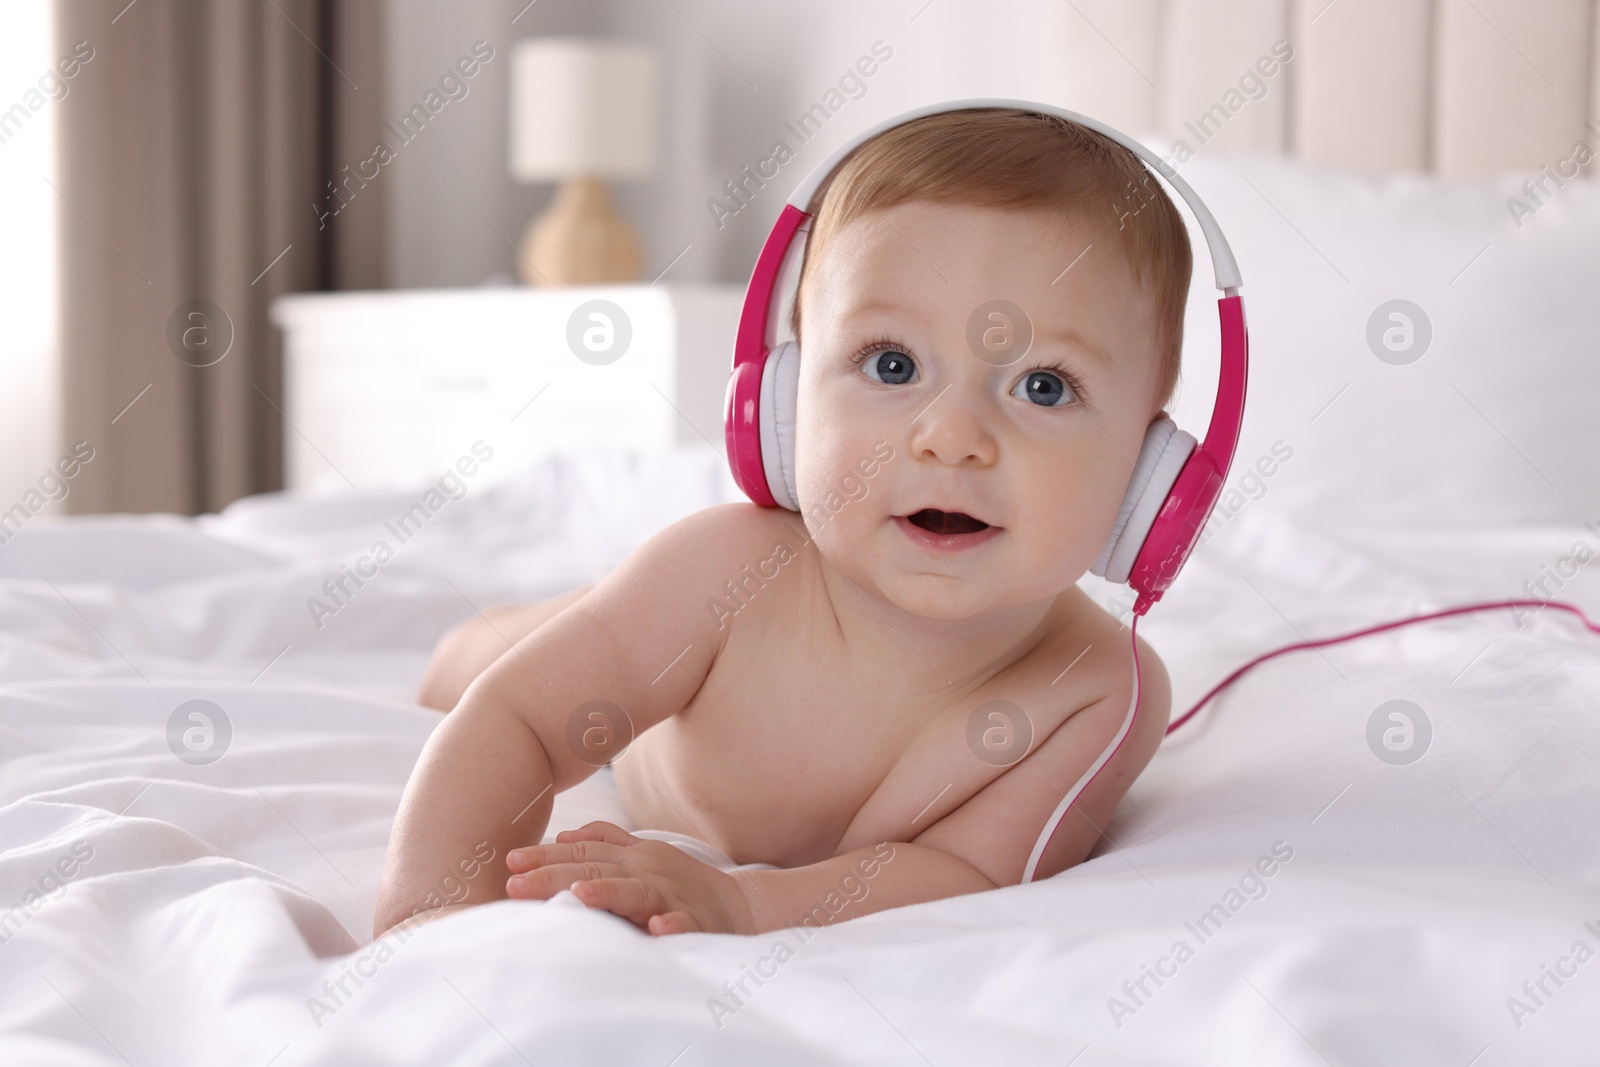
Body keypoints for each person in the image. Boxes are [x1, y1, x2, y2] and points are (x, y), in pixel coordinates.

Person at [374, 107, 1185, 938]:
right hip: (643, 734)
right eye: (891, 364)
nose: (952, 438)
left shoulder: (1098, 692)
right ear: (780, 404)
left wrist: (745, 902)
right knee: (490, 662)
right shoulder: (725, 569)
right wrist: (425, 919)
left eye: (1044, 386)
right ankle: (512, 626)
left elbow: (965, 870)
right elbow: (518, 721)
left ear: (1151, 469)